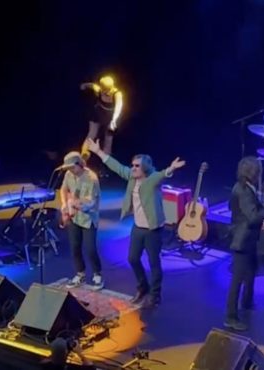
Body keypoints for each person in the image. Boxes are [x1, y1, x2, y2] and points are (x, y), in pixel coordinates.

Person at [86, 138, 185, 307]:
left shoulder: (152, 179)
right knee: (132, 258)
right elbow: (116, 166)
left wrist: (171, 169)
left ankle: (155, 295)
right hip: (138, 227)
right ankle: (142, 287)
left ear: (145, 168)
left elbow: (162, 175)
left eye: (136, 166)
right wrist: (98, 151)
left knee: (154, 263)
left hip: (153, 229)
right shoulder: (131, 178)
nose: (133, 168)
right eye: (132, 165)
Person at [225, 156, 264, 331]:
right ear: (253, 172)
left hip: (249, 238)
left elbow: (256, 209)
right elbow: (252, 217)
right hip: (242, 240)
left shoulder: (247, 188)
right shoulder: (243, 190)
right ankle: (230, 317)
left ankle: (247, 301)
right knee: (237, 279)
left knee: (251, 270)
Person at [60, 151, 104, 290]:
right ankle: (80, 273)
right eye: (68, 169)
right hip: (74, 217)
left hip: (88, 218)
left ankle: (98, 274)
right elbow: (63, 189)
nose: (70, 171)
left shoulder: (91, 178)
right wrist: (64, 205)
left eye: (72, 168)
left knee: (90, 248)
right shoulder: (68, 175)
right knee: (74, 247)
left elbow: (91, 203)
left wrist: (76, 204)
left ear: (79, 165)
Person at [80, 75, 123, 160]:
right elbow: (92, 85)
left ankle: (106, 162)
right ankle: (83, 156)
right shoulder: (99, 90)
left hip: (110, 117)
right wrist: (84, 85)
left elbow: (118, 107)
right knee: (92, 133)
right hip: (98, 113)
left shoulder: (117, 94)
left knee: (108, 138)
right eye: (103, 89)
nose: (105, 92)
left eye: (107, 89)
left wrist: (114, 120)